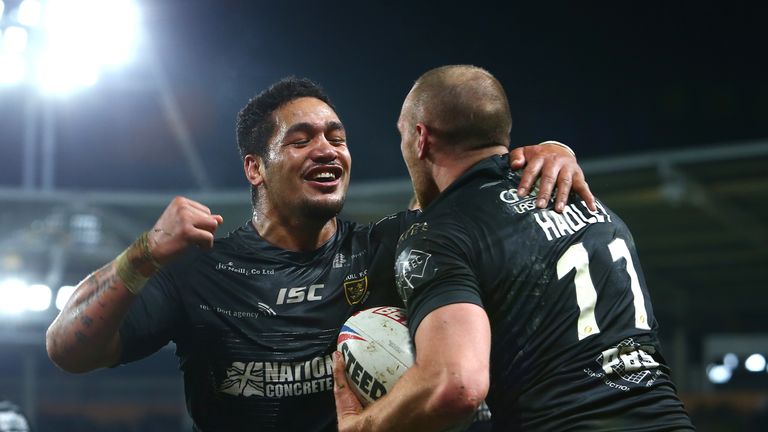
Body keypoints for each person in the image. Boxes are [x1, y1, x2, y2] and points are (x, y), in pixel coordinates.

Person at [45, 77, 593, 431]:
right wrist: (141, 255)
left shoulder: (392, 246)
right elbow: (67, 348)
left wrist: (545, 155)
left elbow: (477, 190)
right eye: (302, 139)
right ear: (254, 167)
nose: (328, 148)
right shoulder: (198, 270)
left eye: (337, 135)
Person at [332, 65, 695, 431]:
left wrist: (361, 426)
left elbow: (457, 385)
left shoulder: (438, 234)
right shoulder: (590, 204)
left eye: (403, 134)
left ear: (421, 137)